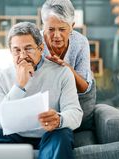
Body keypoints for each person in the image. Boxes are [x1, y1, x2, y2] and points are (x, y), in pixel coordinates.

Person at [0, 22, 83, 159]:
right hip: (14, 136)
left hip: (49, 134)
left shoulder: (62, 73)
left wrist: (59, 119)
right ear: (10, 51)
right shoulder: (0, 78)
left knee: (63, 134)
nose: (22, 55)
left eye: (28, 48)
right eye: (16, 50)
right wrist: (19, 86)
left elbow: (75, 113)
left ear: (41, 48)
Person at [41, 0, 96, 130]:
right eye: (50, 29)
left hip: (69, 109)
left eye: (62, 29)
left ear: (72, 26)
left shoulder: (80, 43)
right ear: (44, 25)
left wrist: (67, 68)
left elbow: (84, 88)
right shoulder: (36, 42)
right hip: (43, 107)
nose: (56, 35)